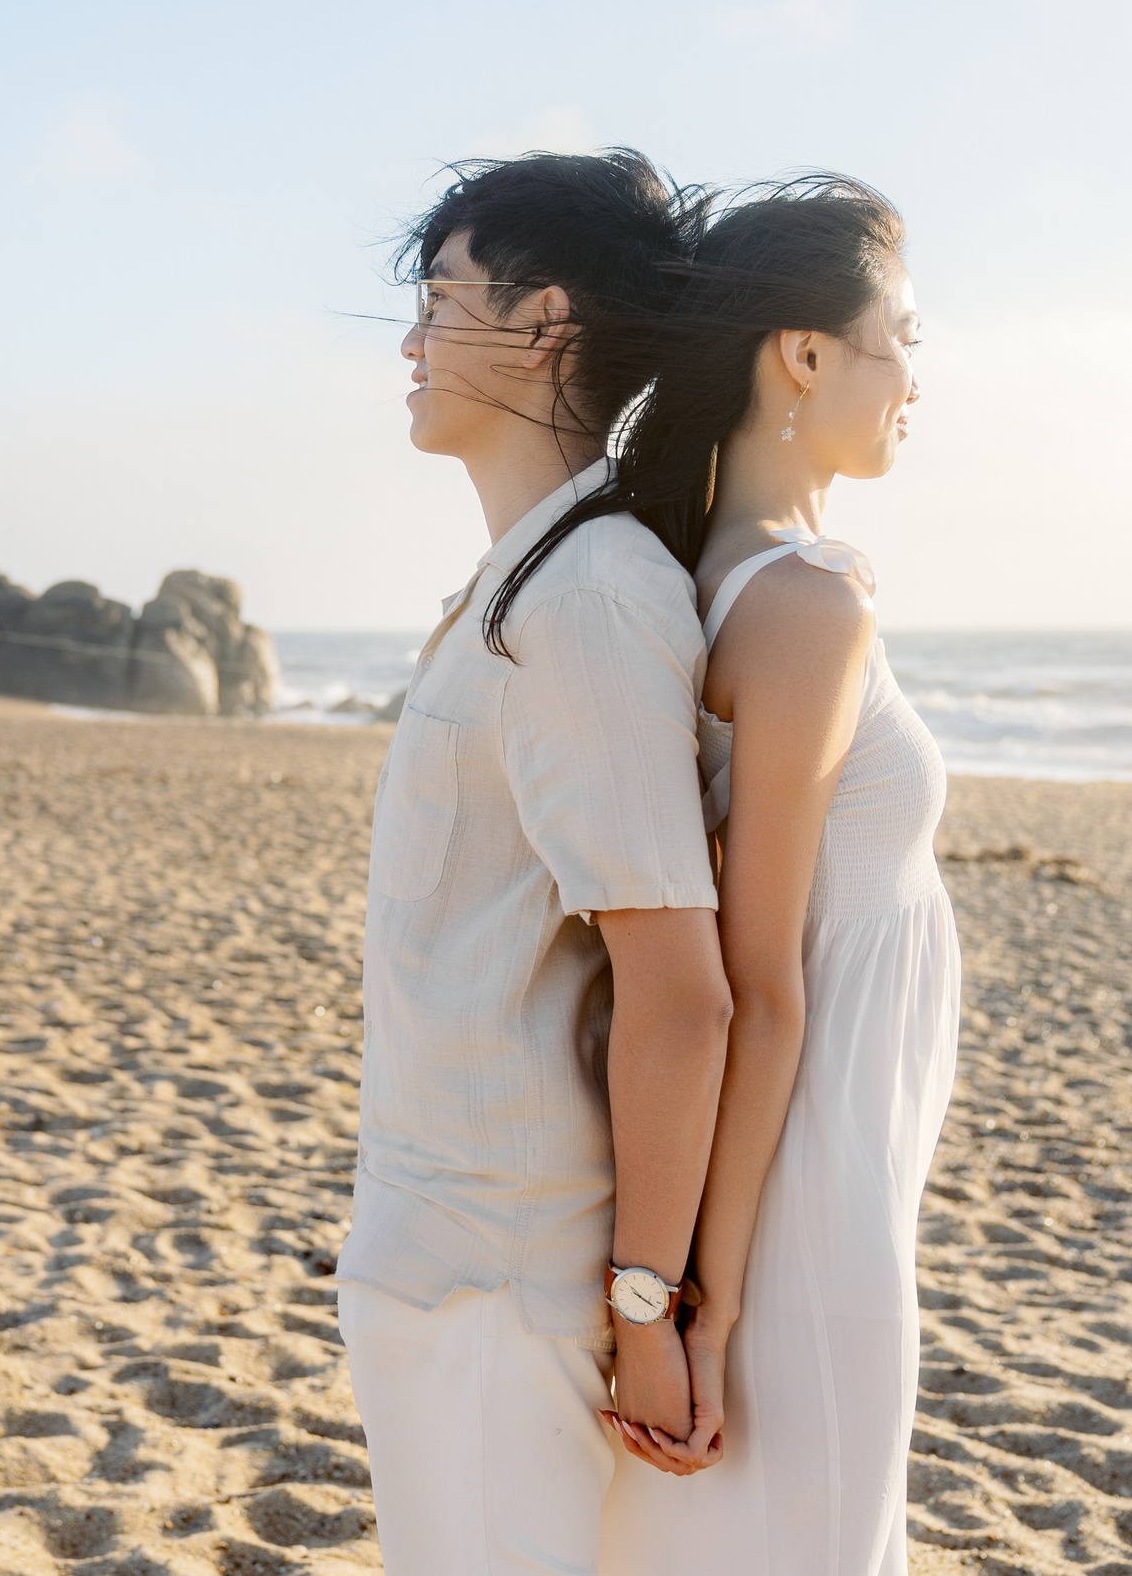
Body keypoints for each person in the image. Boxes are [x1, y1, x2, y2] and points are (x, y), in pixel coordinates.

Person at [338, 150, 736, 1576]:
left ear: (543, 320)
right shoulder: (522, 581)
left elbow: (680, 994)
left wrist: (643, 1311)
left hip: (507, 1283)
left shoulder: (589, 600)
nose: (410, 340)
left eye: (440, 298)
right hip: (438, 1248)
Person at [597, 176, 963, 1575]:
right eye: (903, 337)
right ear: (804, 354)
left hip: (812, 1162)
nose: (917, 378)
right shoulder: (807, 604)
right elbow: (765, 987)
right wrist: (711, 1306)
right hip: (806, 1179)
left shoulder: (717, 573)